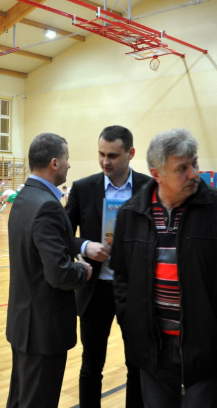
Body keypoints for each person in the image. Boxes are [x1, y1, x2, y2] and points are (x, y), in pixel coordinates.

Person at [110, 128, 217, 407]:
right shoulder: (130, 214)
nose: (194, 173)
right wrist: (129, 320)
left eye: (194, 163)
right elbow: (121, 276)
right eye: (182, 168)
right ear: (157, 174)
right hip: (153, 353)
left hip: (207, 352)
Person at [65, 125, 150, 407]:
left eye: (112, 155)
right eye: (101, 154)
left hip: (135, 291)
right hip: (95, 290)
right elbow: (62, 234)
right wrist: (85, 246)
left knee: (137, 365)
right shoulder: (82, 188)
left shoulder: (149, 189)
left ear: (131, 154)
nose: (105, 161)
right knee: (91, 365)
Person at [6, 133, 92, 408]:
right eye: (67, 159)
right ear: (54, 163)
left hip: (23, 324)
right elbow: (58, 273)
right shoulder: (47, 206)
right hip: (43, 329)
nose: (69, 165)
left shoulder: (24, 198)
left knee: (20, 399)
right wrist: (82, 271)